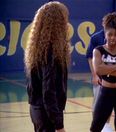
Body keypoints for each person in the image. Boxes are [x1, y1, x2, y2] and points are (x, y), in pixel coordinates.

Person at [24, 1, 70, 132]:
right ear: (57, 23)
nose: (67, 23)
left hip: (37, 110)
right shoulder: (50, 51)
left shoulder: (38, 48)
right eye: (65, 19)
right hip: (46, 114)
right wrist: (59, 125)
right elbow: (48, 92)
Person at [90, 12, 116, 132]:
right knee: (96, 126)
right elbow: (99, 70)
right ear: (105, 34)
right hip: (105, 92)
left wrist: (107, 68)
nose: (113, 38)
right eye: (110, 34)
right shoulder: (98, 50)